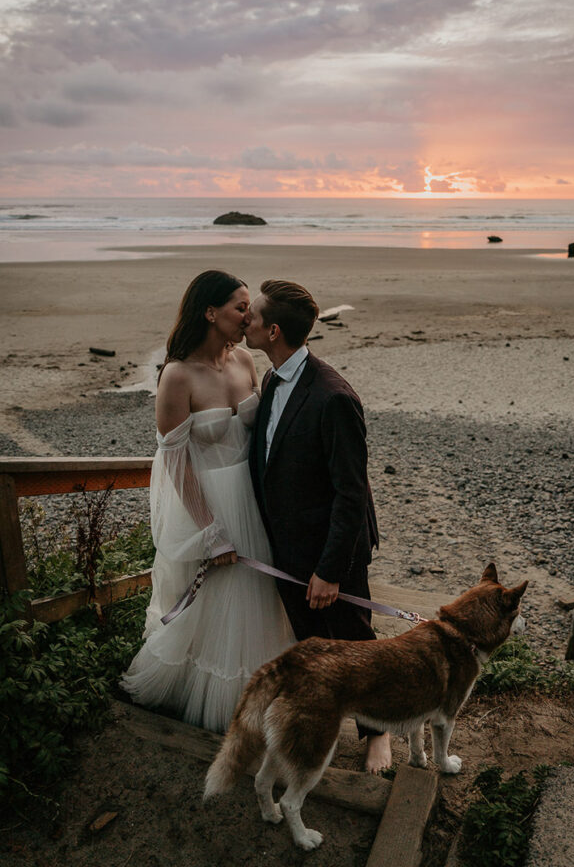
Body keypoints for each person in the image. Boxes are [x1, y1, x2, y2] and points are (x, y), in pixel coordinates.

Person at [122, 270, 294, 733]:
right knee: (214, 603)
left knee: (257, 599)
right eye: (241, 308)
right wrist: (211, 531)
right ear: (209, 312)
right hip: (209, 505)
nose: (249, 316)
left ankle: (262, 695)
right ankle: (213, 699)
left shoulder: (243, 362)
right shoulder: (177, 376)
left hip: (252, 501)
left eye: (249, 308)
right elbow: (176, 463)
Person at [244, 279, 392, 773]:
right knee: (309, 647)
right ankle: (315, 731)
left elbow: (352, 493)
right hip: (289, 544)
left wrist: (329, 570)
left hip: (334, 548)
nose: (246, 320)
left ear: (274, 331)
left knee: (353, 645)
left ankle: (377, 735)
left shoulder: (333, 398)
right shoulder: (271, 379)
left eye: (254, 316)